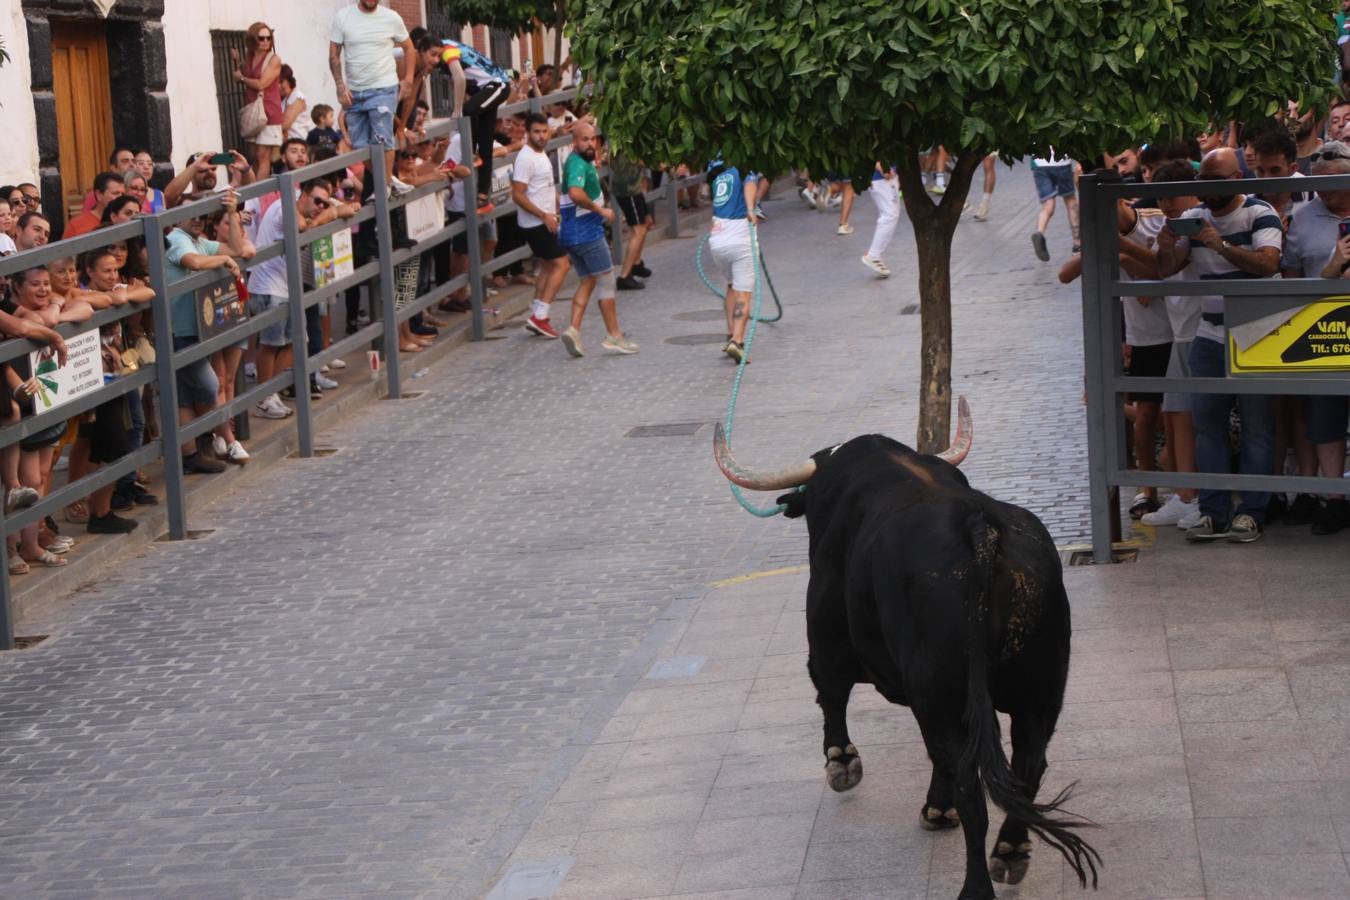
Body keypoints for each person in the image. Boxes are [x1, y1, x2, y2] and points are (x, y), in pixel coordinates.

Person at [1156, 147, 1282, 543]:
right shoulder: (1194, 217)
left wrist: (1219, 244)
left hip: (1257, 333)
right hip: (1209, 333)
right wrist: (1166, 245)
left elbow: (1268, 263)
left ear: (1237, 178)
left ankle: (1252, 513)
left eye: (1215, 181)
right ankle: (1213, 511)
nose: (1205, 189)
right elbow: (1166, 269)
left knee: (1257, 427)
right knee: (1206, 426)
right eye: (1202, 181)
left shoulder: (1260, 212)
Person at [164, 191, 252, 474]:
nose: (198, 220)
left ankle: (190, 454)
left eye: (202, 215)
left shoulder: (200, 241)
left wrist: (231, 213)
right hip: (178, 330)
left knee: (185, 397)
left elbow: (236, 248)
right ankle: (228, 440)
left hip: (197, 329)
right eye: (192, 214)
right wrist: (223, 261)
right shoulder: (177, 238)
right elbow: (194, 262)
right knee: (210, 385)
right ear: (177, 216)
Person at [1288, 141, 1350, 534]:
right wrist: (1333, 268)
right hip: (1322, 332)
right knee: (1325, 416)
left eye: (1333, 181)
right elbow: (1290, 278)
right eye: (1318, 183)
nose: (1324, 190)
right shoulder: (1302, 217)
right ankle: (1334, 500)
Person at [557, 122, 637, 358]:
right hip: (586, 231)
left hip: (571, 234)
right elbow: (575, 192)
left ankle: (573, 330)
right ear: (574, 142)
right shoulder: (577, 164)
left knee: (588, 279)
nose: (591, 143)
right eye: (585, 140)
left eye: (593, 139)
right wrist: (600, 210)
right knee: (607, 279)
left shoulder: (580, 162)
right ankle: (614, 335)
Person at [329, 0, 415, 193]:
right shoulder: (342, 17)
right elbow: (333, 55)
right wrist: (340, 86)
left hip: (383, 87)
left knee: (382, 138)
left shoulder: (391, 17)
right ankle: (389, 182)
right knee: (359, 145)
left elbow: (409, 48)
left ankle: (385, 187)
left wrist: (408, 79)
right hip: (354, 92)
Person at [435, 36, 510, 212]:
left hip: (497, 85)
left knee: (468, 110)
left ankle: (473, 152)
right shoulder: (449, 48)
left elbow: (459, 79)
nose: (433, 62)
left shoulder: (447, 49)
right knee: (486, 143)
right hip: (483, 89)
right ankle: (483, 196)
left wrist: (457, 109)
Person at [512, 112, 570, 339]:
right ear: (527, 133)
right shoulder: (526, 158)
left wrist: (559, 203)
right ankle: (540, 316)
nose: (541, 136)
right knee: (562, 264)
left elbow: (544, 186)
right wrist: (544, 215)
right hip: (535, 223)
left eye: (544, 131)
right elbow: (518, 195)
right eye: (536, 132)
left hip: (546, 219)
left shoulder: (540, 153)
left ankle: (537, 312)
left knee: (547, 266)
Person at [706, 154, 761, 362]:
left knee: (730, 285)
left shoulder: (715, 165)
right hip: (740, 235)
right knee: (743, 295)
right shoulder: (745, 160)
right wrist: (751, 209)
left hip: (718, 236)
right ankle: (737, 341)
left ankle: (730, 333)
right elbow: (750, 183)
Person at [232, 22, 284, 180]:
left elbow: (261, 83)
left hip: (269, 112)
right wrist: (237, 61)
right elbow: (244, 74)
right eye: (261, 38)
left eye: (269, 38)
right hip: (253, 112)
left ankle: (259, 191)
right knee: (253, 155)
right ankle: (255, 187)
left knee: (263, 156)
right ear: (253, 39)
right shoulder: (250, 58)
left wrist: (242, 78)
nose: (266, 41)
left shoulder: (274, 59)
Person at [609, 149, 654, 290]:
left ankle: (636, 263)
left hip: (634, 188)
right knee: (638, 230)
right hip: (628, 189)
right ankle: (624, 276)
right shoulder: (625, 143)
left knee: (647, 222)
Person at [1029, 149, 1079, 260]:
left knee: (1048, 205)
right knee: (1070, 201)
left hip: (1039, 162)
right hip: (1061, 161)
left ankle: (1040, 232)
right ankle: (1077, 244)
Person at [860, 164, 900, 278]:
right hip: (880, 178)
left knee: (891, 214)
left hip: (887, 175)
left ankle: (875, 254)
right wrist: (882, 168)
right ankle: (874, 254)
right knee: (890, 215)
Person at [64, 171, 125, 238]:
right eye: (115, 193)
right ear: (99, 194)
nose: (121, 198)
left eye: (123, 194)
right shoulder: (76, 225)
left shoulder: (126, 219)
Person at [279, 64, 314, 142]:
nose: (278, 86)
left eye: (281, 82)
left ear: (289, 81)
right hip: (287, 142)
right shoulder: (284, 99)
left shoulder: (297, 96)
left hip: (298, 142)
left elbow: (285, 124)